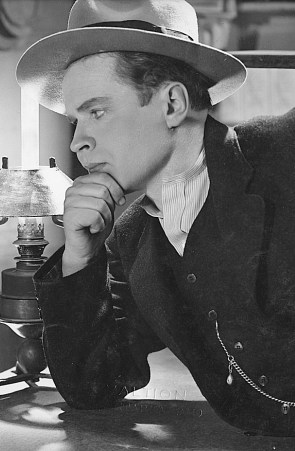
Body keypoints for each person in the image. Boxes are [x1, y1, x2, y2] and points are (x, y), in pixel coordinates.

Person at [16, 0, 295, 437]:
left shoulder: (285, 151)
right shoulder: (131, 240)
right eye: (75, 120)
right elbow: (93, 388)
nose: (77, 143)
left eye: (97, 111)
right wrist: (79, 258)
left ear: (172, 104)